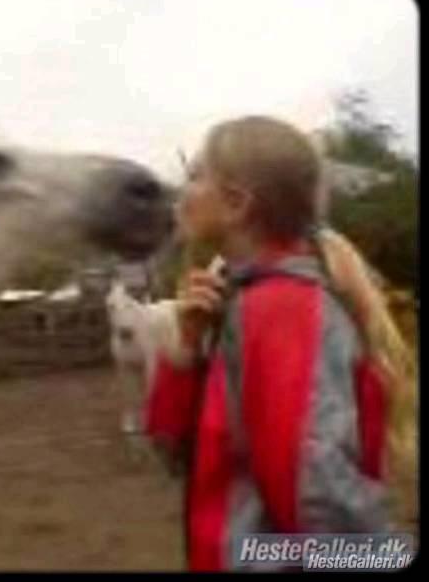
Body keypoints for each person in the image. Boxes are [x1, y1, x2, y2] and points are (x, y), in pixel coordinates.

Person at [145, 116, 417, 571]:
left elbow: (320, 503)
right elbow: (179, 455)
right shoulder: (238, 301)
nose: (182, 192)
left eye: (195, 176)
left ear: (235, 204)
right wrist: (185, 352)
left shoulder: (282, 309)